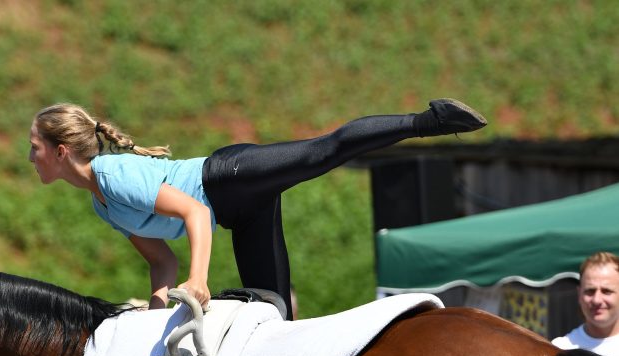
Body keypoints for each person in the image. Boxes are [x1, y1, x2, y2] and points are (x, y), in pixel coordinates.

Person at [29, 99, 487, 318]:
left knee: (319, 152)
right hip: (242, 215)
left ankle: (429, 121)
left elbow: (195, 214)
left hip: (228, 175)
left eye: (36, 148)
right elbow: (161, 259)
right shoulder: (101, 205)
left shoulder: (114, 175)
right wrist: (154, 315)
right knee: (275, 317)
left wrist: (200, 281)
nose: (31, 158)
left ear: (62, 150)